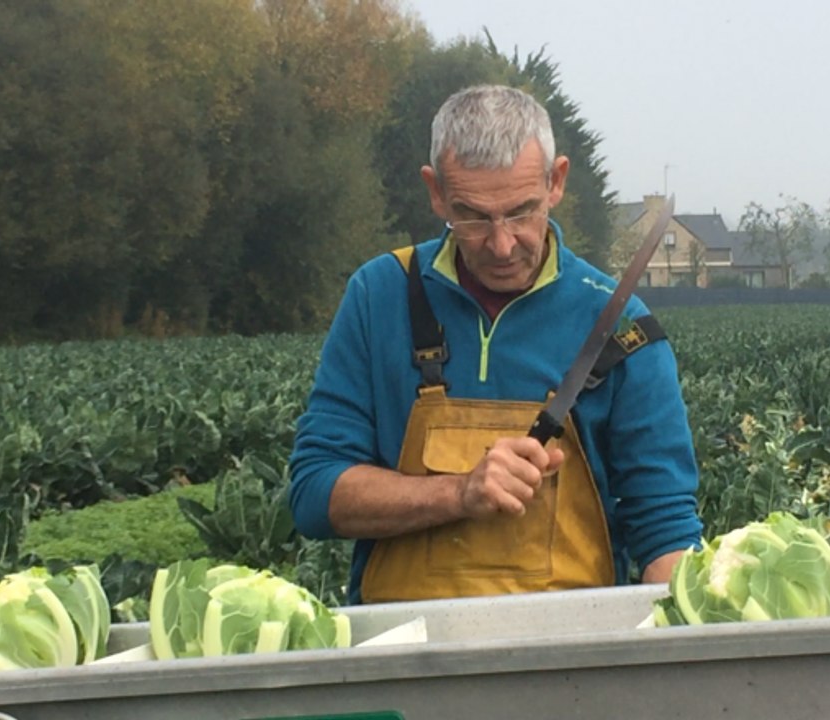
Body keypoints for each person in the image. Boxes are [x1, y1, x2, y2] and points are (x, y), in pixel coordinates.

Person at [287, 83, 702, 605]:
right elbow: (314, 493)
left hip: (569, 666)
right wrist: (459, 493)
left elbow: (666, 527)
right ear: (435, 190)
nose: (502, 244)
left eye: (522, 212)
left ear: (556, 182)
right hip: (401, 657)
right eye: (473, 217)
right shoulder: (380, 294)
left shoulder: (622, 326)